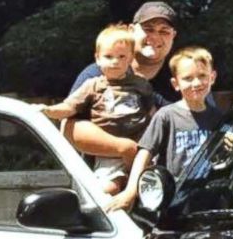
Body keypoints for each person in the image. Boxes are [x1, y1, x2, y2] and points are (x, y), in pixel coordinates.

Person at [38, 24, 154, 193]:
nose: (115, 61)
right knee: (107, 189)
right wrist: (48, 110)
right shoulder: (92, 85)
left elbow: (151, 113)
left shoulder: (141, 83)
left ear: (130, 59)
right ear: (98, 58)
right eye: (109, 56)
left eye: (122, 57)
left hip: (141, 149)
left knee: (151, 189)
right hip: (110, 153)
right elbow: (69, 107)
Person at [108, 47, 223, 211]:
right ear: (175, 84)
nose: (196, 83)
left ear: (212, 77)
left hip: (208, 200)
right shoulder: (167, 116)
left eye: (202, 76)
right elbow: (144, 153)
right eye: (188, 78)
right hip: (174, 200)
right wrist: (130, 191)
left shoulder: (218, 118)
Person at [66, 1, 178, 159]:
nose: (155, 37)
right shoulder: (98, 73)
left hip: (167, 178)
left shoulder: (183, 77)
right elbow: (69, 127)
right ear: (131, 30)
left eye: (164, 31)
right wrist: (125, 148)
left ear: (173, 36)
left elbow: (205, 124)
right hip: (105, 173)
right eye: (148, 29)